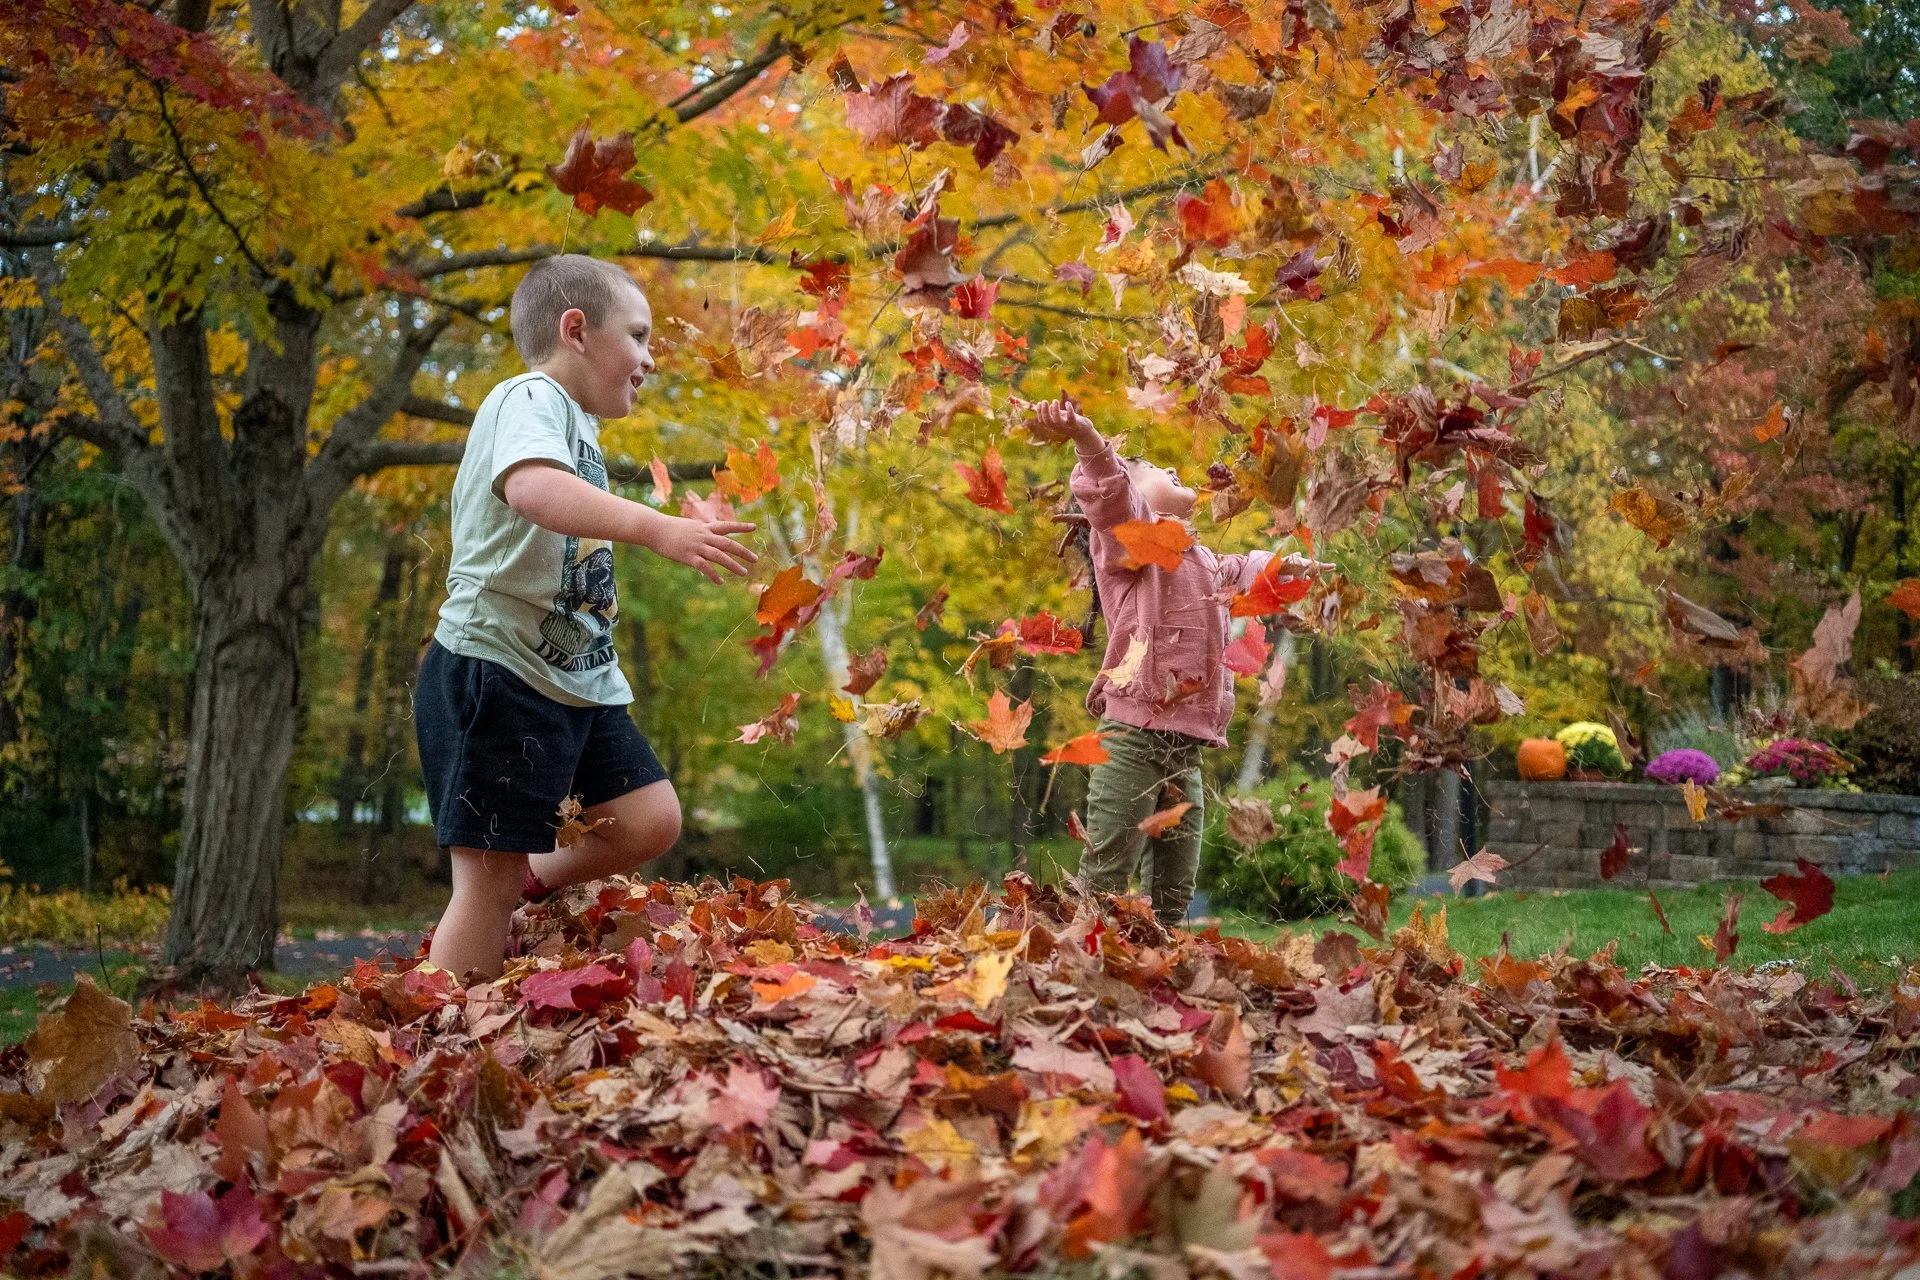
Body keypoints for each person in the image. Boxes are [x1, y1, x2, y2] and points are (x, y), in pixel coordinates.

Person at [416, 254, 758, 980]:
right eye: (637, 336)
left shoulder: (576, 425)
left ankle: (532, 877)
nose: (650, 359)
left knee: (649, 819)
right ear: (576, 329)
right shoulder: (529, 397)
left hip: (571, 679)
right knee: (483, 887)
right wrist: (657, 528)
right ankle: (432, 1040)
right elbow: (535, 491)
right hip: (495, 671)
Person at [1027, 395, 1285, 926]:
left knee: (1175, 884)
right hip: (1132, 742)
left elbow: (1247, 569)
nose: (1169, 468)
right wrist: (1087, 439)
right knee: (1106, 870)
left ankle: (1159, 966)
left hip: (1184, 753)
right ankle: (1073, 957)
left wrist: (1288, 567)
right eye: (1149, 469)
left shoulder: (1205, 560)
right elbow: (1112, 497)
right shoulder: (1132, 549)